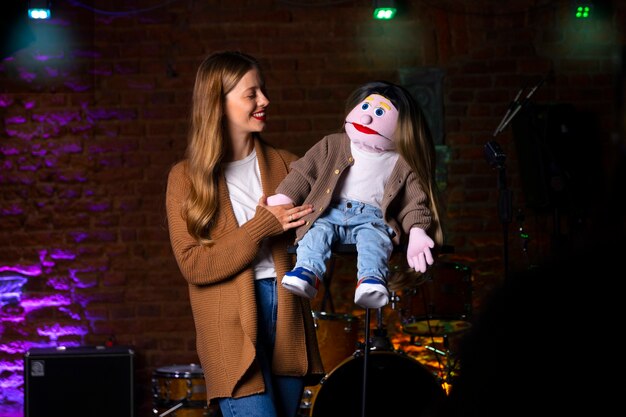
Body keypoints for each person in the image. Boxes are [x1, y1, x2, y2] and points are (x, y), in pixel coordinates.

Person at [165, 50, 324, 417]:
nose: (264, 101)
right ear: (217, 104)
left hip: (287, 315)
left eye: (262, 91)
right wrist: (262, 226)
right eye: (251, 94)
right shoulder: (185, 178)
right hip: (228, 326)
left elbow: (329, 227)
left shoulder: (287, 164)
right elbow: (194, 266)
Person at [267, 81, 443, 309]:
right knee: (316, 233)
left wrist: (417, 231)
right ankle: (307, 272)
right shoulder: (332, 144)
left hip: (372, 218)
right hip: (328, 212)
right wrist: (285, 198)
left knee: (375, 241)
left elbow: (414, 203)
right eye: (366, 108)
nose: (368, 119)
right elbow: (304, 173)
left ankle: (371, 280)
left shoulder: (402, 163)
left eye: (380, 112)